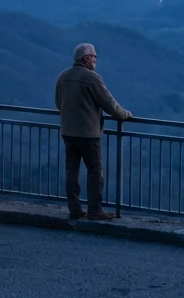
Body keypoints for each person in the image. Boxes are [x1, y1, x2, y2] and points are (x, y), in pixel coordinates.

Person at [54, 43, 133, 220]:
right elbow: (109, 104)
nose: (96, 59)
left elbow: (58, 103)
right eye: (94, 56)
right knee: (95, 171)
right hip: (88, 134)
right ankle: (94, 210)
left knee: (71, 171)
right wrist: (125, 115)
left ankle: (74, 209)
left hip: (68, 131)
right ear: (85, 58)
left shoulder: (63, 76)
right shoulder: (92, 78)